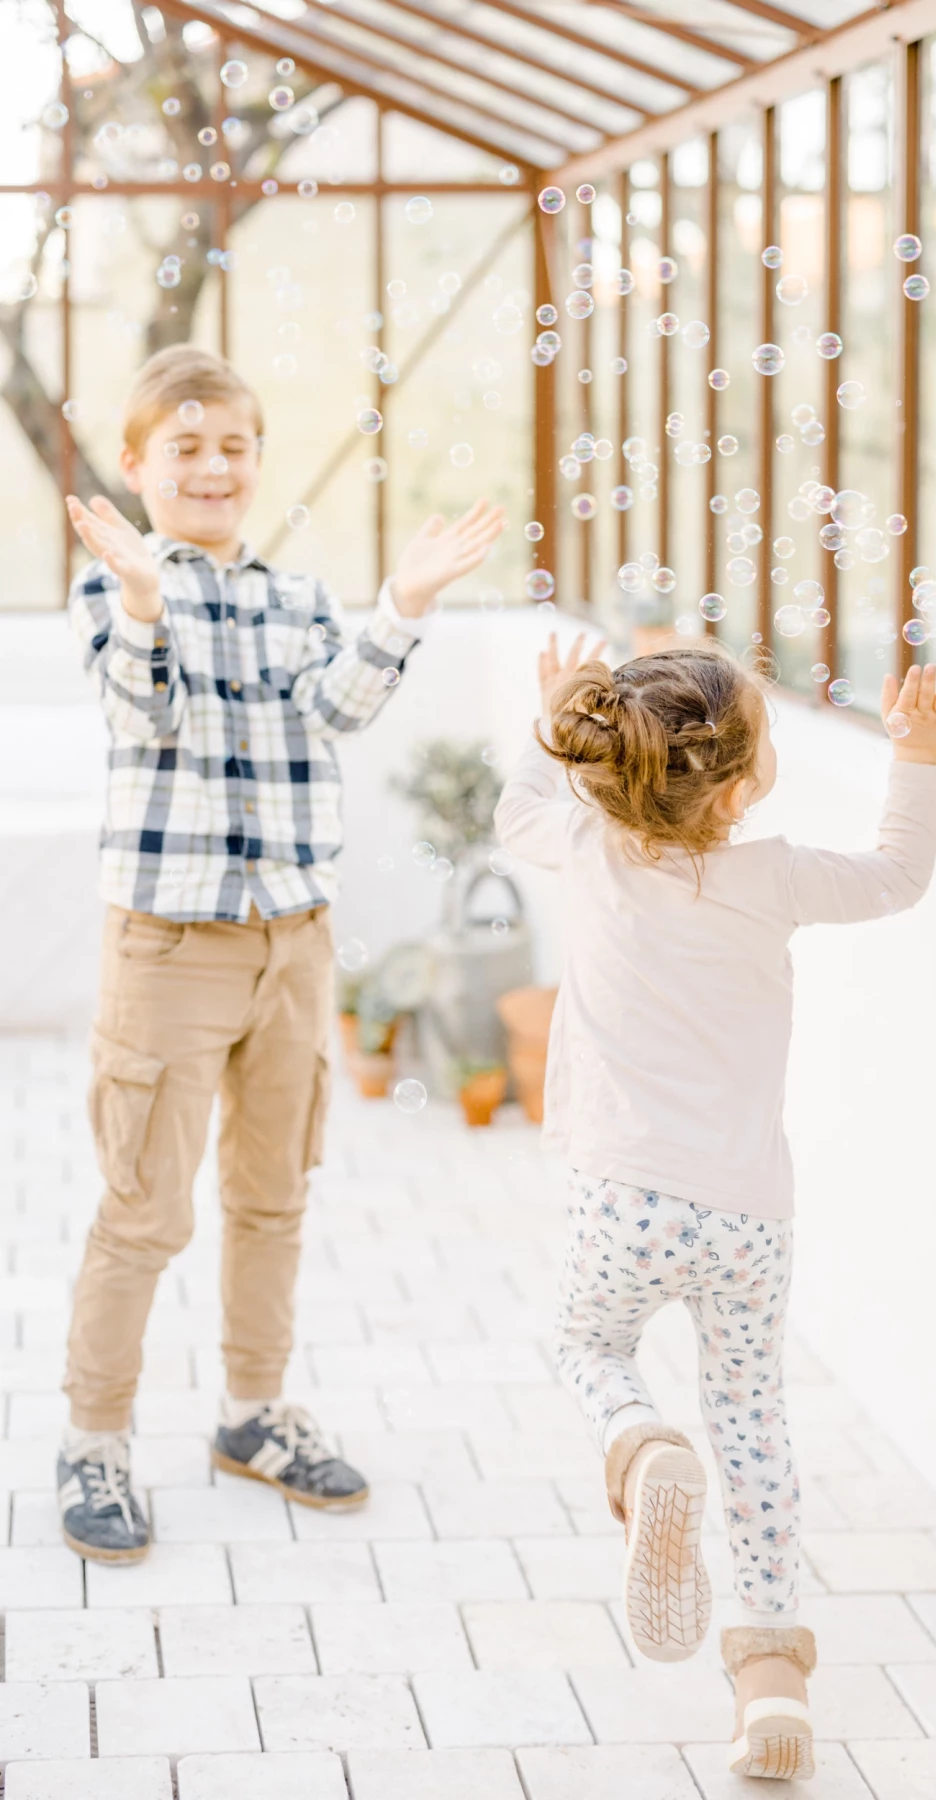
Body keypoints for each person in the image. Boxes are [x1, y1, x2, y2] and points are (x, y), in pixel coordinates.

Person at [495, 633, 936, 1780]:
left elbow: (518, 806)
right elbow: (899, 876)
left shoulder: (585, 843)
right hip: (749, 1212)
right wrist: (913, 752)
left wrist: (549, 706)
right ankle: (769, 1686)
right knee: (752, 1425)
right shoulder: (779, 874)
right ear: (746, 785)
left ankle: (638, 1442)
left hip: (623, 1199)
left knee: (588, 1344)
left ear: (607, 764)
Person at [61, 344, 504, 1563]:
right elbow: (142, 712)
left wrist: (400, 607)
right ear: (140, 463)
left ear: (257, 459)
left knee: (273, 1195)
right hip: (169, 944)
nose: (214, 466)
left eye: (234, 445)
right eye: (186, 446)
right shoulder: (113, 585)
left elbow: (339, 713)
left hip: (293, 943)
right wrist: (149, 602)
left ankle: (251, 1418)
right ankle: (95, 1441)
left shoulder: (299, 597)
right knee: (144, 1208)